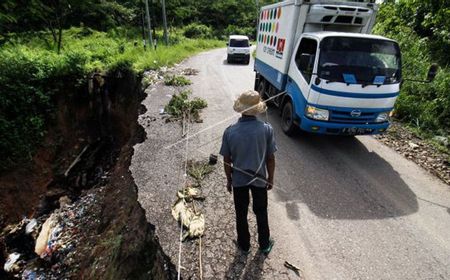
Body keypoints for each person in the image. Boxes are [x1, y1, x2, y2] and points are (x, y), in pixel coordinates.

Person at [219, 90, 277, 255]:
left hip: (239, 181)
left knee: (241, 213)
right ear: (257, 109)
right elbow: (270, 159)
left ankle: (244, 245)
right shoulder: (267, 130)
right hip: (259, 180)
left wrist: (229, 180)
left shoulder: (230, 131)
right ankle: (264, 245)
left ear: (241, 109)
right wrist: (270, 179)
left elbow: (227, 160)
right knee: (261, 211)